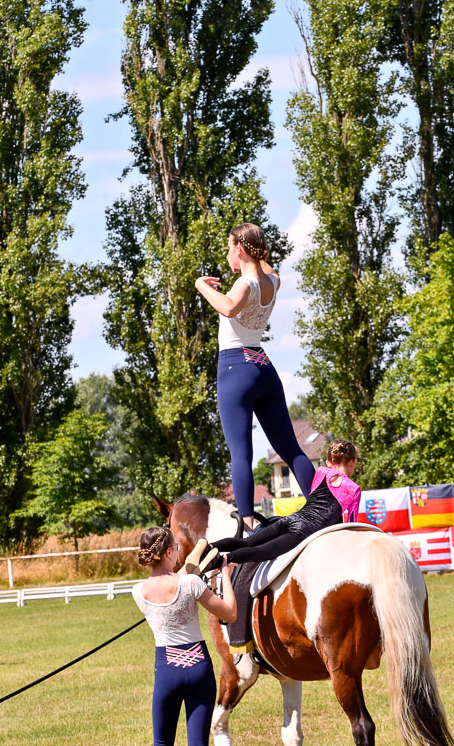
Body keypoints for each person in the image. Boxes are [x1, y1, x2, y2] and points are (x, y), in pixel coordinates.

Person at [195, 222, 315, 531]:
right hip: (263, 366)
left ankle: (247, 527)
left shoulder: (245, 284)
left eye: (229, 248)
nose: (227, 255)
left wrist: (201, 285)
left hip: (235, 368)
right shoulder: (272, 281)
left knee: (240, 454)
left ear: (239, 249)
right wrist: (252, 250)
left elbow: (228, 308)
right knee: (292, 450)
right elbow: (263, 264)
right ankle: (324, 508)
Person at [132, 526, 237, 746]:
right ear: (169, 552)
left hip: (167, 670)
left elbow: (172, 578)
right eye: (176, 548)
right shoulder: (191, 583)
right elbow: (230, 613)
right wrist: (226, 576)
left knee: (161, 742)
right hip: (199, 667)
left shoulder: (138, 591)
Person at [206, 439, 361, 566]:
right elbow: (350, 526)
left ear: (328, 461)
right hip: (303, 532)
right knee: (262, 552)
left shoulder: (322, 471)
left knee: (247, 542)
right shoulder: (354, 489)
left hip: (292, 518)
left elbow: (314, 496)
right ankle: (218, 562)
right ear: (353, 462)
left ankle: (207, 547)